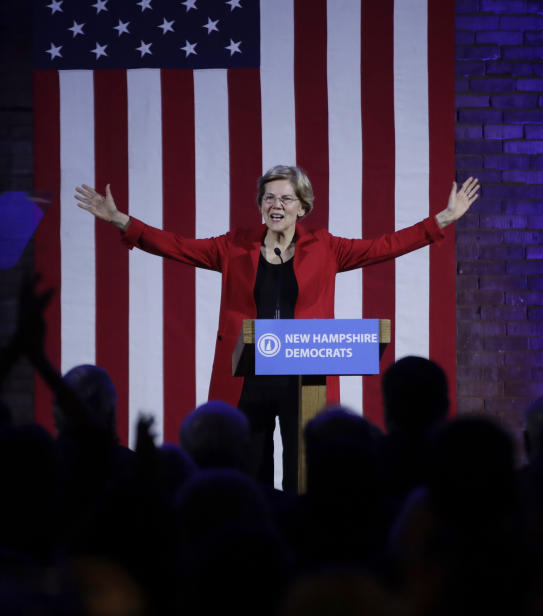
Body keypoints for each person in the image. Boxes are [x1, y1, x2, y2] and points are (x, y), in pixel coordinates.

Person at [75, 165, 479, 491]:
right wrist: (120, 220)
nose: (276, 204)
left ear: (303, 207)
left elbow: (384, 246)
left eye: (286, 197)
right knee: (253, 466)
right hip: (249, 377)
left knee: (302, 466)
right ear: (260, 205)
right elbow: (177, 245)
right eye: (269, 197)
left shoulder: (326, 246)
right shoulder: (234, 245)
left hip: (304, 376)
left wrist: (442, 218)